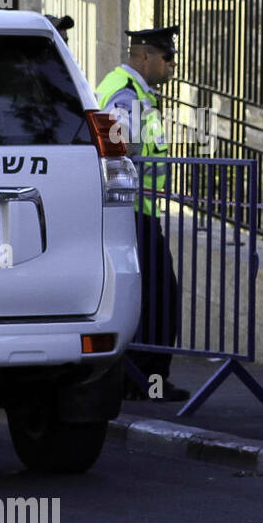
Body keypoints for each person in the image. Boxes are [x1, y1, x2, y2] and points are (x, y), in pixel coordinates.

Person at [96, 25, 189, 402]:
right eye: (167, 58)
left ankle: (140, 380)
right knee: (159, 297)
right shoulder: (125, 94)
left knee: (151, 295)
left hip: (137, 212)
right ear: (146, 56)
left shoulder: (132, 90)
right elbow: (118, 146)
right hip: (132, 214)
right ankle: (146, 382)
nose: (171, 66)